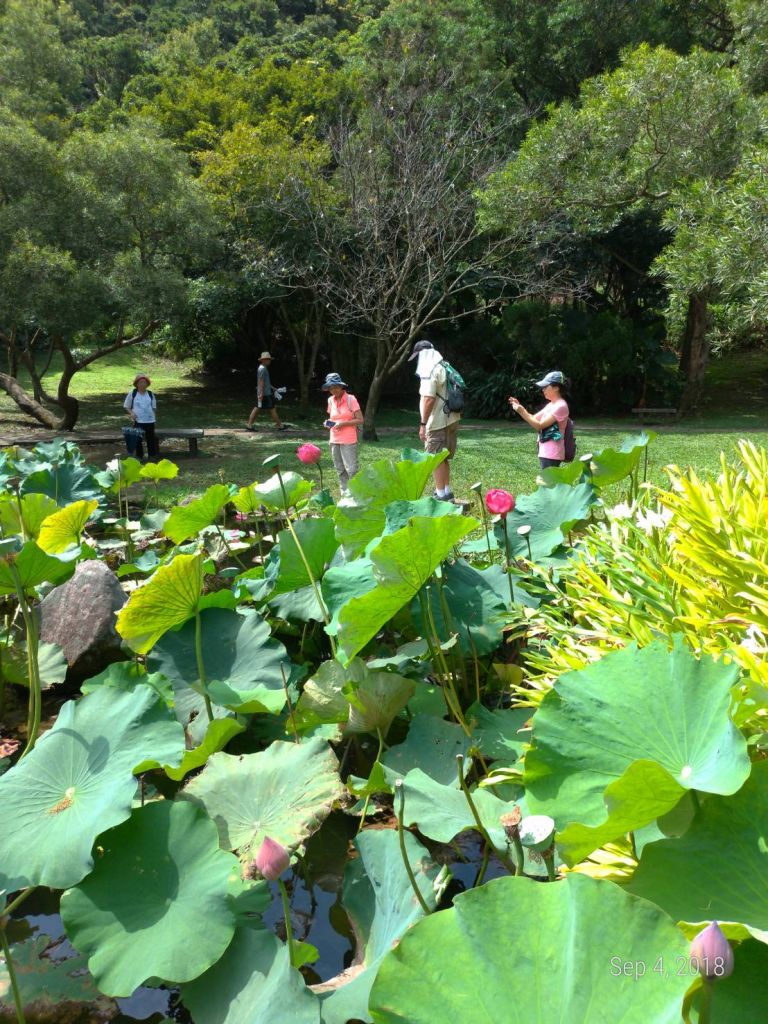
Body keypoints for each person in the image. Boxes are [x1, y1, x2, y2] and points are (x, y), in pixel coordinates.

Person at [409, 339, 461, 501]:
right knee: (444, 456)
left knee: (434, 458)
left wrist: (423, 424)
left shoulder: (429, 370)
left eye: (418, 356)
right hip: (452, 418)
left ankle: (440, 495)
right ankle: (446, 491)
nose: (418, 360)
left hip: (437, 421)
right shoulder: (444, 366)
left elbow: (428, 399)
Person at [509, 370, 570, 469]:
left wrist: (521, 411)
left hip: (552, 452)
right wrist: (521, 407)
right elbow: (533, 418)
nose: (543, 390)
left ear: (556, 388)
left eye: (546, 387)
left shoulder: (561, 406)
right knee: (547, 482)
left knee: (548, 483)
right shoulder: (552, 404)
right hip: (546, 451)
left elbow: (539, 425)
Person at [322, 372, 363, 494]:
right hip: (334, 439)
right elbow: (333, 418)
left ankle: (356, 493)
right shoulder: (330, 400)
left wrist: (343, 424)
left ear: (341, 386)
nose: (333, 389)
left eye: (335, 386)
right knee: (339, 469)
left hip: (349, 440)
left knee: (352, 469)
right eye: (330, 387)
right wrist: (328, 423)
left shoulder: (351, 399)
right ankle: (344, 494)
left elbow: (360, 420)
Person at [246, 351, 287, 431]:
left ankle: (249, 425)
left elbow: (265, 382)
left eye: (269, 359)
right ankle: (280, 426)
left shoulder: (263, 368)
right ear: (263, 360)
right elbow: (261, 381)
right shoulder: (262, 369)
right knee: (272, 408)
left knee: (257, 408)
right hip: (265, 394)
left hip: (264, 393)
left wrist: (273, 388)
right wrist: (261, 393)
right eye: (268, 359)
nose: (269, 361)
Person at [123, 373, 158, 461]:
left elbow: (153, 407)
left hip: (150, 421)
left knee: (151, 439)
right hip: (138, 421)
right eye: (141, 382)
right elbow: (126, 406)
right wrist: (131, 413)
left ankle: (152, 456)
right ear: (137, 384)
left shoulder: (150, 394)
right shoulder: (133, 393)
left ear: (147, 384)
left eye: (145, 382)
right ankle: (139, 456)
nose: (143, 384)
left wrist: (154, 418)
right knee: (138, 439)